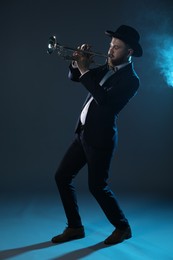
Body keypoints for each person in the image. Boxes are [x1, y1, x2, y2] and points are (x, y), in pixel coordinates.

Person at [51, 25, 143, 245]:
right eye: (110, 45)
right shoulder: (105, 68)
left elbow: (105, 100)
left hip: (100, 139)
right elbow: (76, 78)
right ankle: (74, 227)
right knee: (62, 177)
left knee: (97, 187)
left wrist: (85, 71)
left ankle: (123, 227)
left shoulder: (131, 80)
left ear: (129, 52)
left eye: (117, 47)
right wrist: (77, 62)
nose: (110, 51)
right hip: (82, 134)